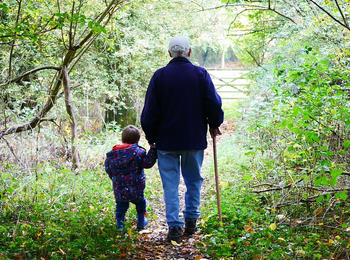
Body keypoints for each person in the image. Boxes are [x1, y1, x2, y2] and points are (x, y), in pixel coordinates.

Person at [141, 36, 224, 242]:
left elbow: (149, 112)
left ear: (169, 53)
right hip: (193, 139)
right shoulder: (200, 74)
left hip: (166, 142)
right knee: (193, 180)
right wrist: (214, 124)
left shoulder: (159, 77)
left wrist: (152, 138)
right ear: (189, 52)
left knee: (170, 184)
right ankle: (191, 221)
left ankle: (174, 227)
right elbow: (213, 103)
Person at [104, 125, 157, 231]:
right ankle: (141, 223)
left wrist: (116, 179)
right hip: (136, 188)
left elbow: (108, 169)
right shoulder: (138, 153)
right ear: (137, 140)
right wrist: (153, 150)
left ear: (122, 139)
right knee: (140, 203)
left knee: (121, 207)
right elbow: (147, 163)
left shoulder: (112, 155)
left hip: (119, 189)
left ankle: (120, 227)